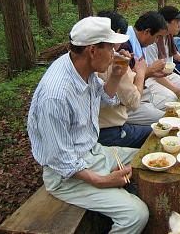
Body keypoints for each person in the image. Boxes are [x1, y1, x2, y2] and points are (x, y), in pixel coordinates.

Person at [27, 17, 149, 233]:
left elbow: (104, 97)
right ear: (93, 51)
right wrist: (103, 181)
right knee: (136, 215)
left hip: (93, 152)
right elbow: (61, 161)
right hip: (66, 176)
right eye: (111, 48)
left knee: (147, 158)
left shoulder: (80, 68)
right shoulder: (55, 96)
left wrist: (116, 76)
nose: (115, 53)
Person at [96, 11, 157, 145]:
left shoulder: (106, 56)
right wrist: (141, 73)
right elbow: (134, 102)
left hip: (106, 124)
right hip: (110, 131)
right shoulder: (109, 59)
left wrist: (128, 70)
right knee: (160, 130)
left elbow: (109, 93)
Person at [125, 11, 180, 115]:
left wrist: (151, 73)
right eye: (157, 36)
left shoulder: (138, 42)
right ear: (147, 32)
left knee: (172, 102)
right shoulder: (126, 47)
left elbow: (141, 73)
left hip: (141, 92)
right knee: (164, 119)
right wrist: (149, 71)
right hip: (128, 102)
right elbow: (126, 85)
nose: (156, 41)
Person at [145, 6, 180, 80]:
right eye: (177, 22)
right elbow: (153, 74)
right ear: (166, 23)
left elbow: (174, 53)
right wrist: (175, 90)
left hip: (169, 73)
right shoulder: (152, 42)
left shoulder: (168, 36)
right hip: (156, 78)